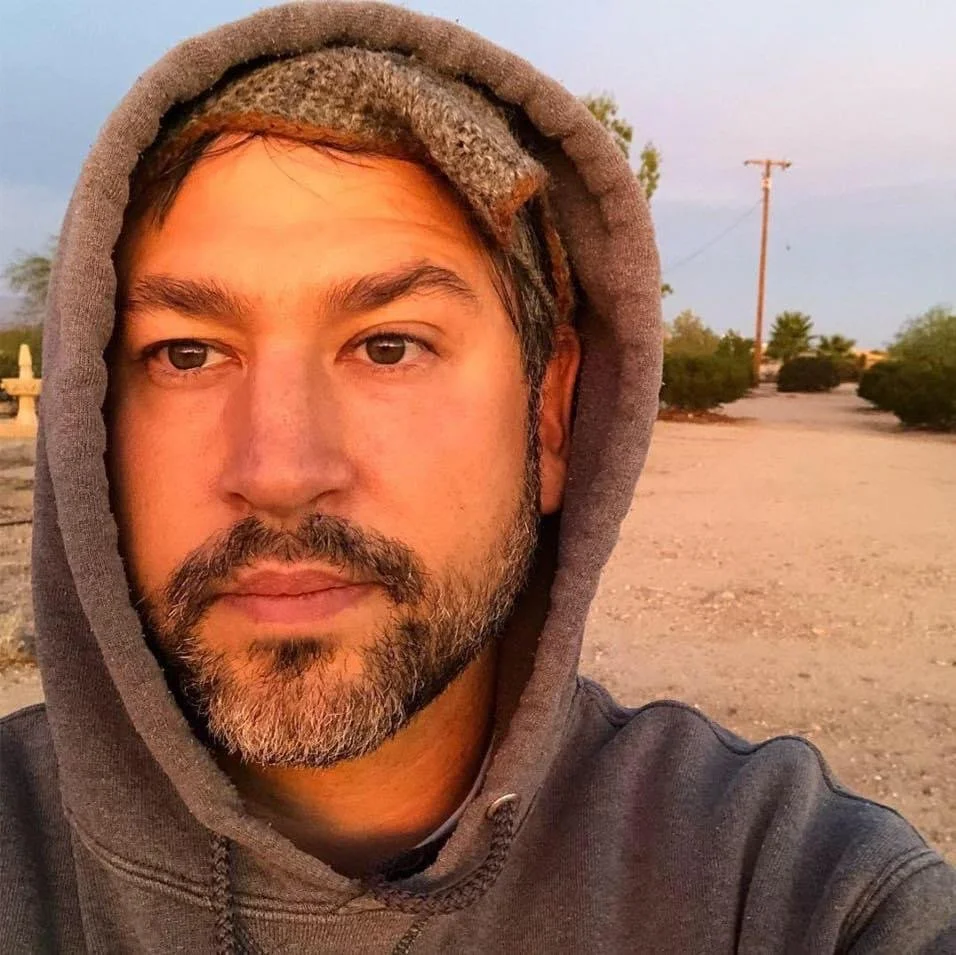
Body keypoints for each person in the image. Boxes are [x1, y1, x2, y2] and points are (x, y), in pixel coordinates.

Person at [1, 4, 953, 953]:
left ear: (547, 421)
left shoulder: (784, 889)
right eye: (186, 353)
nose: (281, 471)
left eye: (387, 345)